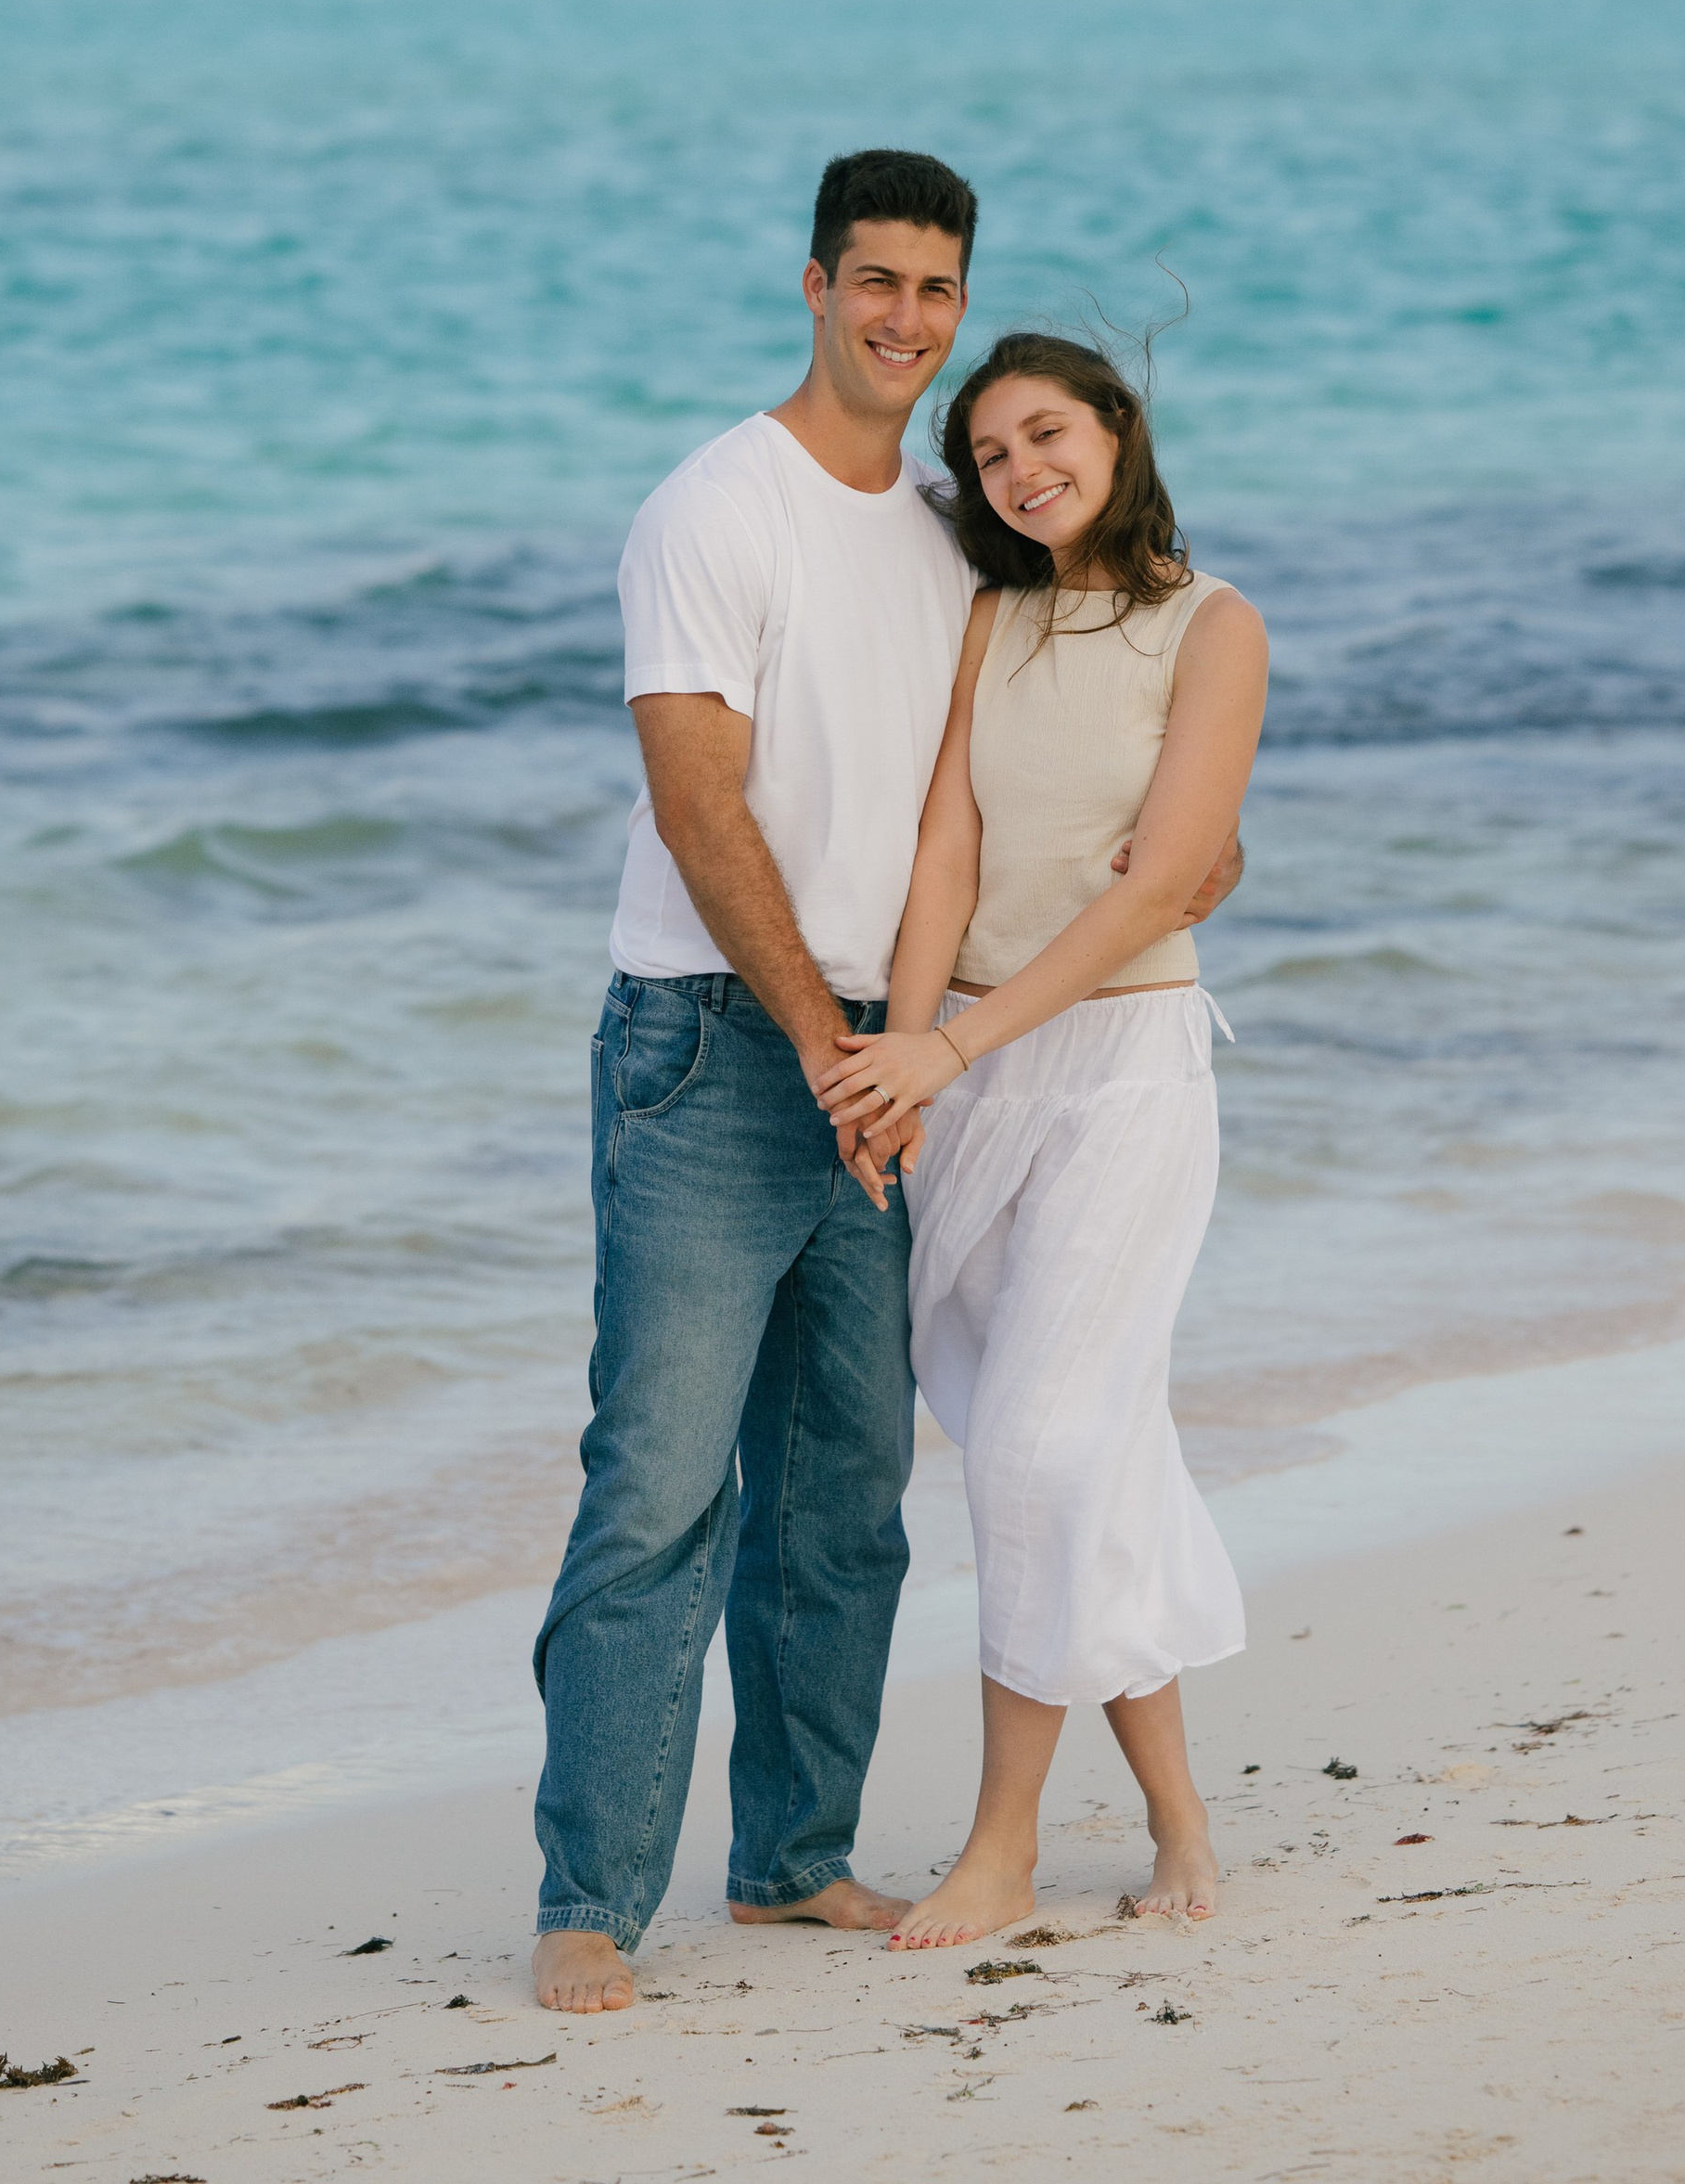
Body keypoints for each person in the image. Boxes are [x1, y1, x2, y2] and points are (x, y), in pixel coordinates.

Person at [532, 161, 1241, 2014]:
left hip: (914, 1052)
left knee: (846, 1492)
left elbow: (1051, 768)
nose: (904, 318)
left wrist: (1190, 861)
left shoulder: (953, 530)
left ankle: (790, 1858)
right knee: (658, 1482)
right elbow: (699, 806)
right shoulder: (711, 507)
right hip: (720, 1039)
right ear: (813, 284)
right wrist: (825, 1046)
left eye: (935, 287)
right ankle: (590, 1898)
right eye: (875, 281)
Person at [817, 329, 1268, 1947]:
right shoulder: (993, 616)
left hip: (1126, 1072)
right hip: (973, 1071)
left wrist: (949, 1043)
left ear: (1116, 430)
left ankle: (1002, 1844)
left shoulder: (1214, 626)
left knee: (1034, 1451)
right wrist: (906, 1064)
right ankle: (1178, 1814)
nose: (1022, 469)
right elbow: (947, 846)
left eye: (1047, 432)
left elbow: (1161, 886)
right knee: (1093, 1451)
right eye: (992, 453)